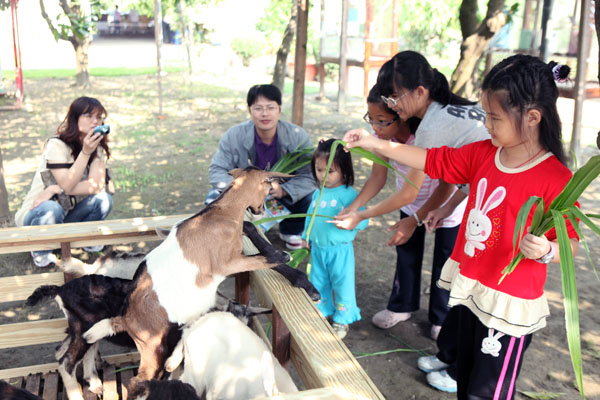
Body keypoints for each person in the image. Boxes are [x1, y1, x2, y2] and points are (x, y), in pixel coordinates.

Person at [343, 54, 579, 400]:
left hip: (507, 307)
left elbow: (570, 246)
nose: (485, 124)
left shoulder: (556, 179)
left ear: (531, 117)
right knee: (465, 382)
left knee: (487, 392)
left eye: (493, 117)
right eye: (485, 114)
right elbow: (432, 159)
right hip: (471, 291)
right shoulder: (484, 153)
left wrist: (547, 250)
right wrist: (375, 142)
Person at [335, 52, 489, 341]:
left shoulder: (430, 128)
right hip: (437, 200)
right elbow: (384, 177)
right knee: (408, 251)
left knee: (450, 261)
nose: (377, 127)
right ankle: (404, 305)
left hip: (459, 203)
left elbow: (439, 184)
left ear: (418, 93)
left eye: (392, 102)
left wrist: (366, 216)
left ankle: (443, 319)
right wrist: (355, 207)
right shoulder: (431, 116)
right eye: (374, 120)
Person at [207, 84, 316, 250]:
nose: (264, 113)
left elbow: (310, 175)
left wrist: (285, 190)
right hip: (245, 193)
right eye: (258, 108)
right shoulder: (234, 135)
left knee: (311, 196)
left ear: (279, 109)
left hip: (280, 194)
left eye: (270, 107)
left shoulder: (297, 136)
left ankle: (291, 230)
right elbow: (216, 171)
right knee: (213, 197)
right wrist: (243, 187)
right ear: (250, 110)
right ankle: (232, 232)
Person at [15, 96, 114, 267]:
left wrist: (55, 188)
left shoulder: (96, 146)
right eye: (89, 116)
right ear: (75, 119)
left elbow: (96, 186)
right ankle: (40, 249)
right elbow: (67, 185)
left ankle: (84, 239)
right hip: (38, 214)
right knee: (52, 208)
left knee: (104, 200)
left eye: (99, 117)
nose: (95, 121)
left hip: (68, 213)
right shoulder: (56, 145)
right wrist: (85, 153)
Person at [302, 139, 368, 339]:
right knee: (318, 281)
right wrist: (306, 236)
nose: (323, 176)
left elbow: (363, 220)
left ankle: (342, 319)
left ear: (344, 169)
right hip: (318, 249)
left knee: (342, 283)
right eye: (319, 170)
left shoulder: (349, 195)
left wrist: (351, 220)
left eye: (330, 171)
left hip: (340, 251)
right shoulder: (317, 192)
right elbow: (309, 216)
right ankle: (321, 312)